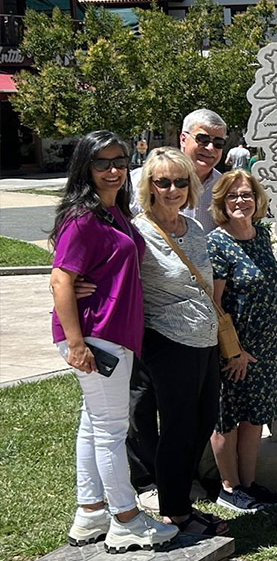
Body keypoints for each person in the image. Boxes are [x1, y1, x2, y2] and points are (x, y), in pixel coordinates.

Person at [49, 131, 178, 552]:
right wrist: (75, 344)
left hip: (110, 331)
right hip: (95, 335)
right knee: (110, 428)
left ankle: (90, 512)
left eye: (119, 161)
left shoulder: (112, 211)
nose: (112, 170)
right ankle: (125, 517)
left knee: (94, 425)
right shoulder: (83, 217)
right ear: (84, 167)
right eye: (101, 163)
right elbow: (60, 280)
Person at [127, 109, 226, 511]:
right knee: (169, 424)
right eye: (163, 183)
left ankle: (181, 494)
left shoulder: (197, 226)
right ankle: (169, 502)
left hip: (204, 341)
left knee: (200, 422)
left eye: (179, 183)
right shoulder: (138, 228)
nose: (172, 189)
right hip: (166, 342)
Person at [206, 170, 277, 513]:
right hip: (236, 352)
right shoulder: (217, 242)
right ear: (221, 202)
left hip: (268, 346)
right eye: (233, 196)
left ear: (257, 199)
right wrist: (234, 352)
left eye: (246, 194)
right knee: (228, 420)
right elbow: (214, 303)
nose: (240, 201)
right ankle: (229, 488)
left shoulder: (260, 235)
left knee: (254, 419)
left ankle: (248, 484)